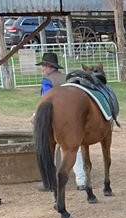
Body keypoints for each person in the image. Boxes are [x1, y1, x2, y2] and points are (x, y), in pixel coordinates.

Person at [38, 51, 87, 191]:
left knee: (49, 149)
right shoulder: (67, 78)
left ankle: (49, 181)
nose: (43, 69)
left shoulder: (47, 81)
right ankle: (81, 180)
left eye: (43, 66)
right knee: (73, 148)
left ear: (48, 66)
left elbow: (45, 99)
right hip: (72, 118)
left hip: (53, 117)